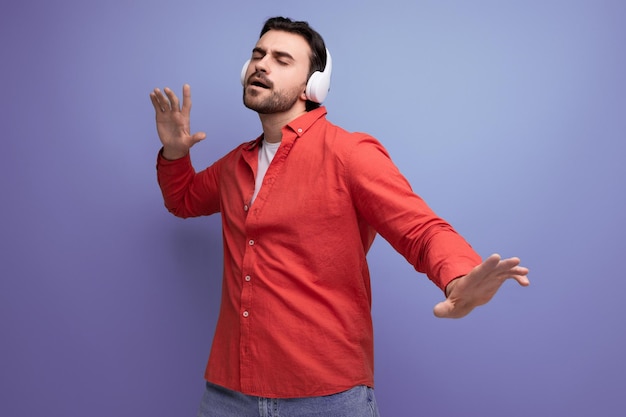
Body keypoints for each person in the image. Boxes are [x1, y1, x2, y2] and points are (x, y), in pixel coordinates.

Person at [150, 16, 529, 417]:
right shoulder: (234, 165)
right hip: (228, 394)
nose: (262, 64)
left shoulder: (350, 153)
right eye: (257, 55)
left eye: (281, 59)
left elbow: (419, 229)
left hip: (326, 396)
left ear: (311, 86)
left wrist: (458, 276)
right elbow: (184, 200)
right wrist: (175, 152)